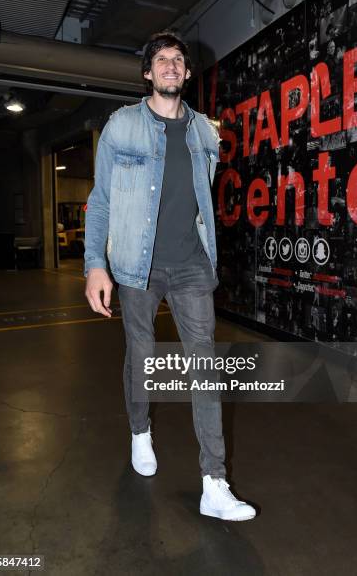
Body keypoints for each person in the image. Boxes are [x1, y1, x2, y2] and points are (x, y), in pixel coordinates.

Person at [84, 31, 256, 522]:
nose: (171, 66)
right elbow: (101, 201)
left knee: (204, 366)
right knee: (141, 353)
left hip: (191, 265)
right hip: (137, 263)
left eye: (178, 60)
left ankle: (214, 484)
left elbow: (200, 198)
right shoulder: (122, 126)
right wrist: (95, 263)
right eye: (161, 60)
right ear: (148, 72)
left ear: (185, 72)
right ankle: (140, 429)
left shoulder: (205, 131)